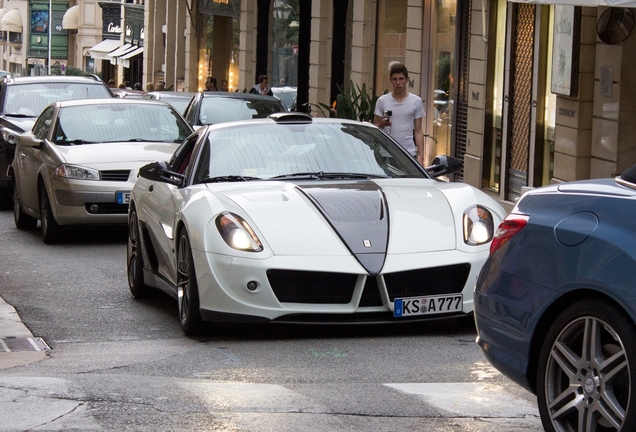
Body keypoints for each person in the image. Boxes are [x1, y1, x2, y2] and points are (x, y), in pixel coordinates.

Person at [374, 63, 425, 162]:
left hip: (409, 153)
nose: (398, 83)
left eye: (401, 79)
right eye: (395, 79)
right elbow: (375, 128)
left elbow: (418, 131)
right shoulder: (382, 101)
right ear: (390, 80)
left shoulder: (416, 101)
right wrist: (383, 123)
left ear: (407, 79)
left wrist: (421, 156)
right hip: (387, 153)